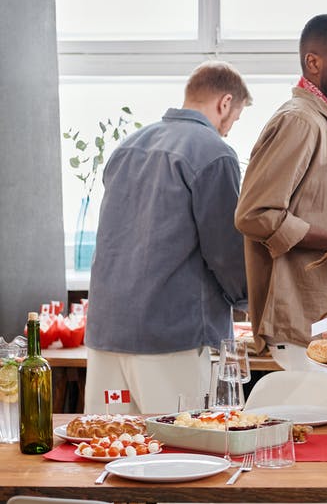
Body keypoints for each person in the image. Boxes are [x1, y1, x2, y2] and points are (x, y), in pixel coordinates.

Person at [84, 61, 250, 414]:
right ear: (224, 103)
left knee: (110, 447)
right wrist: (248, 299)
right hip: (173, 337)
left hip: (107, 332)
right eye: (233, 119)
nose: (228, 130)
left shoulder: (127, 147)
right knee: (184, 449)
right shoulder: (213, 151)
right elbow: (225, 250)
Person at [235, 14, 327, 405]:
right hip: (302, 321)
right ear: (313, 63)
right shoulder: (300, 122)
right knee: (319, 447)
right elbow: (254, 214)